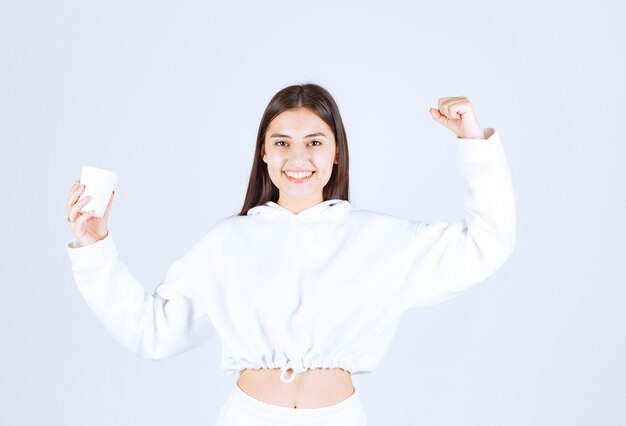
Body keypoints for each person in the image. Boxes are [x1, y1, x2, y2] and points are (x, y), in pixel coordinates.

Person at [65, 83, 516, 426]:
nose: (297, 157)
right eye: (282, 142)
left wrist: (473, 143)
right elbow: (154, 333)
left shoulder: (381, 239)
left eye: (314, 142)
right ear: (263, 153)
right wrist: (94, 247)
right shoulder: (227, 244)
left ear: (337, 152)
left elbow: (486, 244)